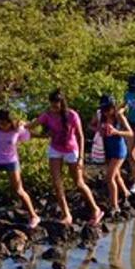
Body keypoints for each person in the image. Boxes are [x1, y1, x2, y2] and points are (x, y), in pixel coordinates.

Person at [35, 90, 103, 226]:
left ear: (62, 103)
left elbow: (80, 136)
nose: (54, 108)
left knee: (78, 183)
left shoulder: (72, 115)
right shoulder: (47, 115)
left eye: (56, 105)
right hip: (55, 149)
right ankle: (67, 214)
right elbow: (32, 125)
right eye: (52, 105)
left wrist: (81, 158)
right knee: (57, 183)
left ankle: (96, 209)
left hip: (71, 149)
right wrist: (18, 127)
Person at [91, 95, 134, 215]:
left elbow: (130, 133)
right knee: (116, 175)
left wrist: (116, 131)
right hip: (106, 148)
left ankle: (115, 206)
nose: (105, 112)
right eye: (103, 109)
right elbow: (91, 125)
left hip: (119, 149)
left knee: (109, 178)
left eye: (107, 109)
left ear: (113, 107)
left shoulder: (119, 117)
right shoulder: (99, 115)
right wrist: (98, 128)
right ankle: (126, 193)